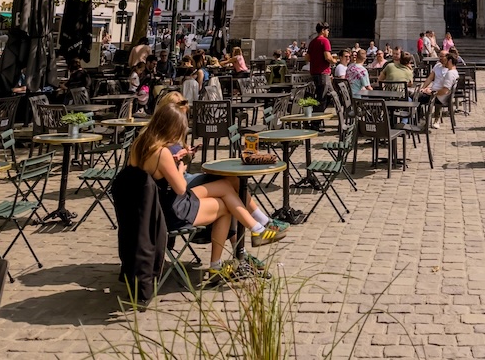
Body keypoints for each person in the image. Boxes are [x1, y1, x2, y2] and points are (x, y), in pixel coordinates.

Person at [129, 102, 287, 284]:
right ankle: (223, 259)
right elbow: (180, 188)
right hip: (171, 210)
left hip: (151, 208)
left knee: (226, 187)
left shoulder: (140, 144)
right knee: (225, 205)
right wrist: (180, 167)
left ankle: (256, 229)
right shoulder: (161, 152)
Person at [420, 53, 459, 128]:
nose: (444, 61)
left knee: (416, 98)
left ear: (450, 61)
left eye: (446, 60)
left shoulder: (450, 74)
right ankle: (423, 120)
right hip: (439, 94)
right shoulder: (454, 72)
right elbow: (431, 78)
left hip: (439, 98)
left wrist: (431, 92)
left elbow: (445, 91)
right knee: (420, 94)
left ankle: (421, 121)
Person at [308, 22, 334, 109]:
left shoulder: (312, 42)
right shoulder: (325, 41)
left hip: (314, 72)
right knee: (322, 97)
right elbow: (327, 57)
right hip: (323, 73)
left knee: (330, 95)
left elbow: (307, 58)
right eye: (327, 30)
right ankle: (317, 119)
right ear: (323, 30)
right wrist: (334, 60)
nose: (328, 32)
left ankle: (317, 115)